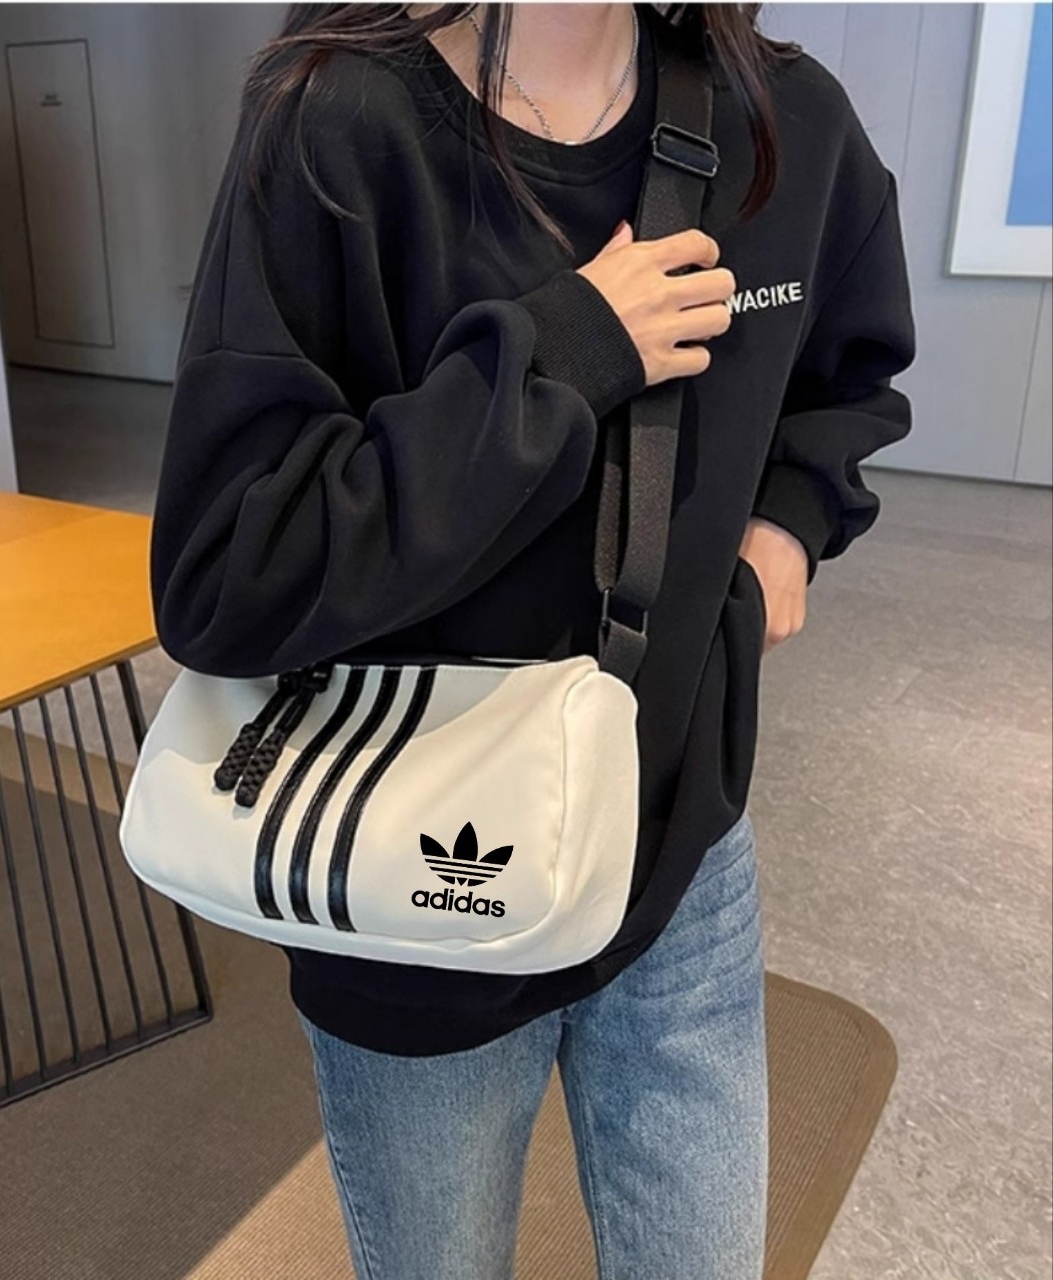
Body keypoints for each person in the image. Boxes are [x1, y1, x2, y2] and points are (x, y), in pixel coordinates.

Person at [150, 3, 915, 1276]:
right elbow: (232, 571)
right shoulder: (336, 117)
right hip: (414, 889)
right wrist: (569, 350)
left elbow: (850, 374)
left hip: (677, 849)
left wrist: (791, 519)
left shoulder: (786, 121)